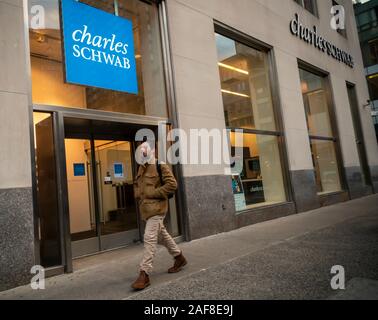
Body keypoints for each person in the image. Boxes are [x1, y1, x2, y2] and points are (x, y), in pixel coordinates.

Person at [131, 141, 187, 290]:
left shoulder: (160, 165)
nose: (143, 150)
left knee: (149, 238)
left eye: (145, 148)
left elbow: (172, 184)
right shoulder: (141, 168)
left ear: (153, 150)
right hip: (146, 211)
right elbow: (139, 187)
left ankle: (144, 273)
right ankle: (179, 258)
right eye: (141, 148)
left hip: (157, 209)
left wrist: (154, 193)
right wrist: (138, 194)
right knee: (163, 236)